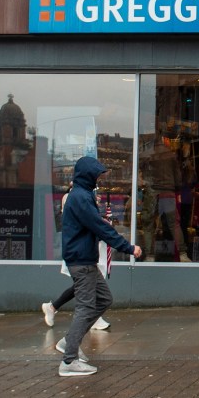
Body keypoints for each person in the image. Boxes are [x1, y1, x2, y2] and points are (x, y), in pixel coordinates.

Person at [58, 156, 142, 377]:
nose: (99, 179)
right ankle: (69, 360)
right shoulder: (81, 197)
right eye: (97, 175)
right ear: (88, 175)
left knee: (104, 299)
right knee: (85, 307)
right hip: (81, 261)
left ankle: (69, 342)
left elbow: (92, 223)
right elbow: (98, 228)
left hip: (84, 259)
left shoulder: (82, 195)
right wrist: (128, 247)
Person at [41, 182, 111, 331]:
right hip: (80, 252)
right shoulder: (73, 198)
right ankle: (86, 319)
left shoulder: (82, 197)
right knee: (86, 284)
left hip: (85, 249)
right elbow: (81, 221)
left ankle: (53, 307)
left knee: (86, 284)